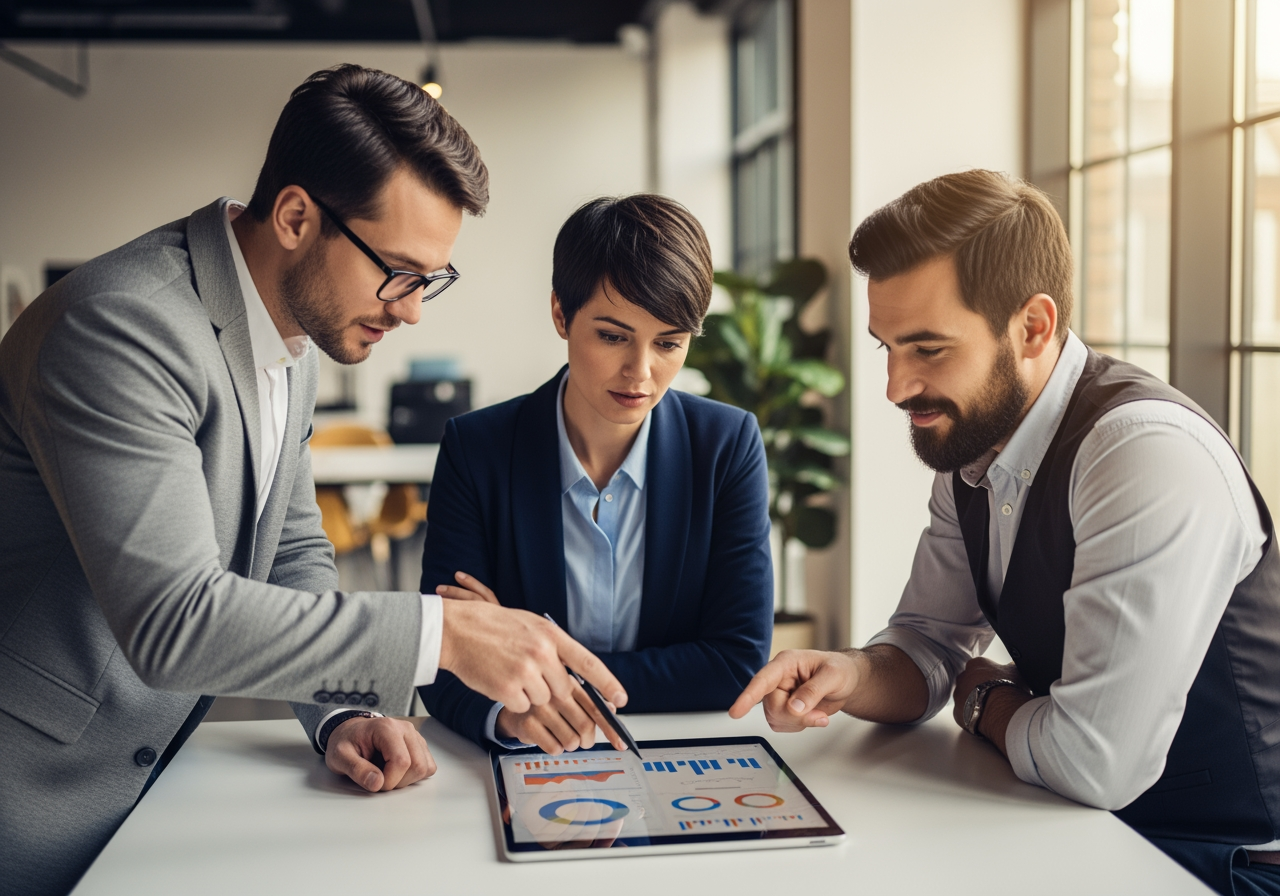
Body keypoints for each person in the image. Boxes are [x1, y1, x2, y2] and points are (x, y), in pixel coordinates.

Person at [0, 64, 625, 896]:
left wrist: (340, 707)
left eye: (430, 280)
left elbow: (291, 547)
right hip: (30, 800)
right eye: (399, 272)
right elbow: (172, 623)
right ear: (296, 216)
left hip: (146, 794)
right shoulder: (123, 327)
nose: (411, 310)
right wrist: (446, 635)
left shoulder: (289, 335)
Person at [729, 170, 1280, 896]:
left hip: (1220, 864)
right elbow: (928, 643)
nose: (896, 387)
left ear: (1033, 327)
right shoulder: (975, 445)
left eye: (927, 349)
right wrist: (854, 673)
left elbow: (1094, 763)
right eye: (886, 347)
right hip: (1083, 833)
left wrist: (984, 703)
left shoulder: (1142, 454)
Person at [419, 194, 774, 753]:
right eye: (613, 336)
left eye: (669, 343)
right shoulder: (478, 449)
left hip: (677, 755)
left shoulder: (726, 447)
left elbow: (734, 661)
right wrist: (507, 710)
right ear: (561, 314)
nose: (641, 372)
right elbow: (442, 666)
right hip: (527, 758)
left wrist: (536, 668)